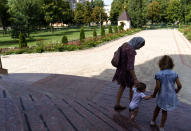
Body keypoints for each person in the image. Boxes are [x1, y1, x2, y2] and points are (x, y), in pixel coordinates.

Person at [112, 37, 145, 111]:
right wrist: (135, 79)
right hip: (127, 73)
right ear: (137, 43)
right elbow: (130, 67)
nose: (139, 48)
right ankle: (132, 105)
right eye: (140, 46)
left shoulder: (125, 44)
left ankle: (117, 104)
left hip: (120, 70)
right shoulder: (131, 51)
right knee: (132, 88)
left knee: (122, 86)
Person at [150, 55, 182, 131]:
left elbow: (157, 87)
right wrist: (176, 91)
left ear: (160, 64)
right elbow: (180, 85)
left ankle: (153, 121)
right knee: (165, 111)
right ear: (171, 65)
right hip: (170, 96)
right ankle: (161, 127)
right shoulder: (174, 74)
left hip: (162, 95)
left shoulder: (159, 74)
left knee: (157, 108)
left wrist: (154, 94)